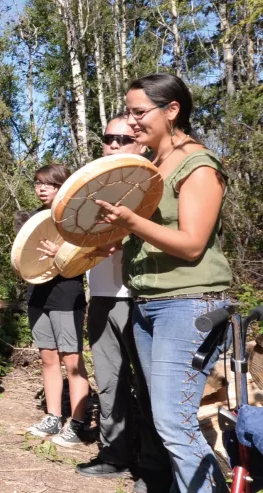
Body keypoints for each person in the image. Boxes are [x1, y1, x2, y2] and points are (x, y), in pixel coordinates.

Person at [96, 73, 232, 492]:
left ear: (172, 110)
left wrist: (132, 221)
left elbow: (192, 245)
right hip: (149, 305)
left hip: (189, 305)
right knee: (168, 418)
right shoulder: (150, 165)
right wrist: (115, 239)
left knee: (174, 423)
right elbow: (149, 234)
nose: (131, 121)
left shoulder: (199, 165)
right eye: (130, 112)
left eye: (139, 112)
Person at [74, 116, 171, 493]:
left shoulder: (152, 185)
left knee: (148, 388)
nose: (114, 144)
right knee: (110, 383)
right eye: (108, 138)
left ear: (142, 144)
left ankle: (153, 468)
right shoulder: (91, 187)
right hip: (101, 298)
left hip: (141, 299)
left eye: (124, 138)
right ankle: (114, 455)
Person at [23, 164, 90, 448]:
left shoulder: (77, 219)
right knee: (48, 358)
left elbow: (86, 256)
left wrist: (60, 253)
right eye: (38, 183)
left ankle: (77, 423)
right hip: (37, 295)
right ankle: (53, 416)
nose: (41, 189)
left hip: (66, 294)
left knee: (72, 361)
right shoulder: (34, 219)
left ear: (63, 187)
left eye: (48, 184)